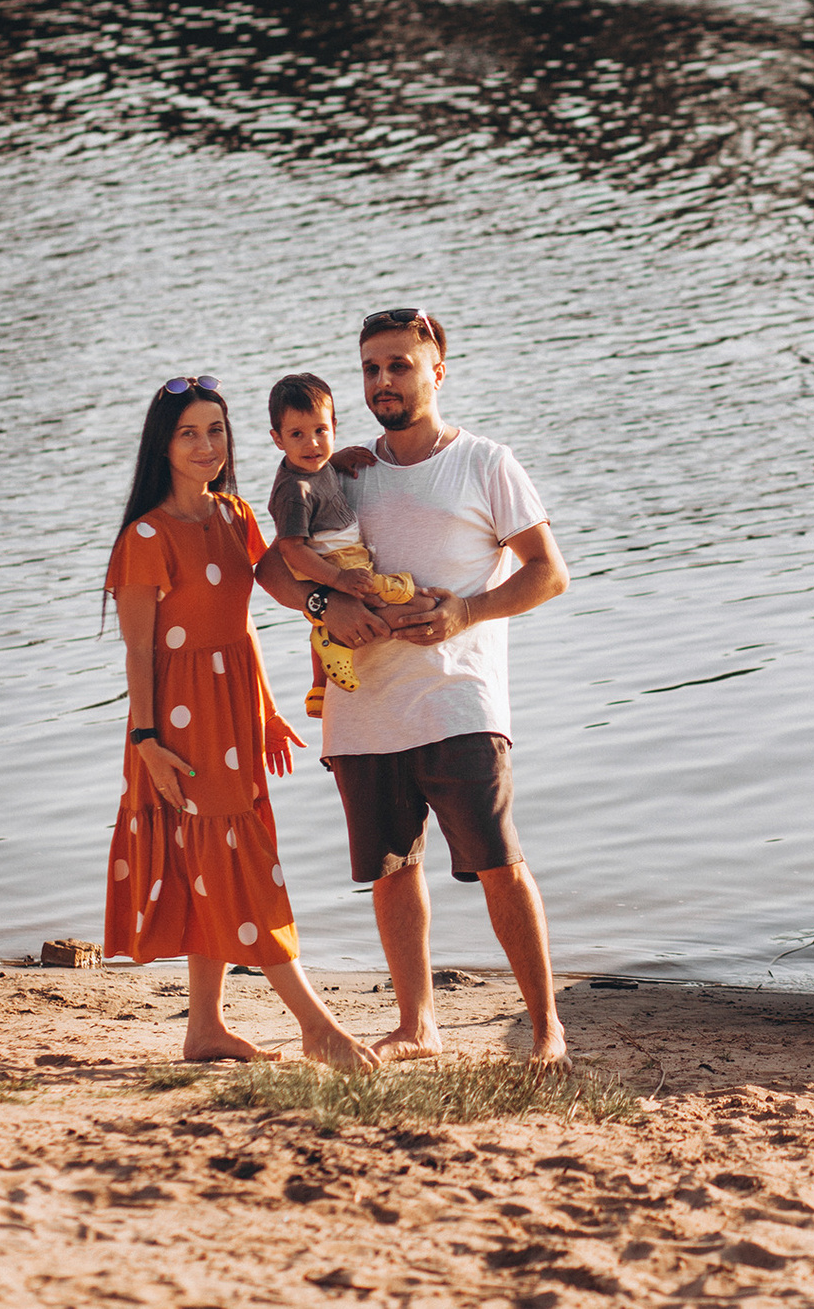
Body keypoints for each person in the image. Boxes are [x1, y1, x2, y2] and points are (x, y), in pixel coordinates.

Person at [258, 309, 572, 1066]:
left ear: (438, 370)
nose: (383, 381)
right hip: (364, 709)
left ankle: (546, 1029)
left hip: (458, 697)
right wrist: (330, 603)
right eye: (370, 368)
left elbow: (547, 572)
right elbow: (274, 568)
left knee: (499, 859)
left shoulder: (485, 462)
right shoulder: (342, 470)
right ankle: (416, 1024)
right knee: (393, 870)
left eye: (399, 365)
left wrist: (468, 607)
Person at [102, 373, 379, 1069]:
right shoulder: (146, 534)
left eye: (216, 430)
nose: (205, 445)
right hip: (178, 722)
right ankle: (316, 1024)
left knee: (215, 859)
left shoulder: (233, 514)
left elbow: (257, 611)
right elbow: (139, 648)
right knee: (240, 861)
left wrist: (272, 707)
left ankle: (205, 1028)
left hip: (234, 713)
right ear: (162, 445)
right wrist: (146, 742)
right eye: (188, 432)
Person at [262, 371, 417, 718]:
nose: (312, 444)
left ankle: (319, 688)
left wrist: (336, 459)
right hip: (333, 560)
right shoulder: (294, 492)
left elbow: (316, 464)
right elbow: (291, 549)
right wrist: (337, 581)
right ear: (277, 439)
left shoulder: (315, 466)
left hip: (343, 554)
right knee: (398, 600)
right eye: (297, 435)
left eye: (320, 431)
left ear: (334, 424)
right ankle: (332, 647)